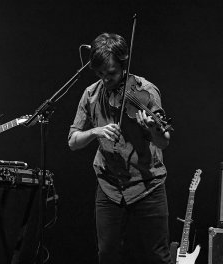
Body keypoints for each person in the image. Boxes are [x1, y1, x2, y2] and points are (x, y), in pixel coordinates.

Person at [68, 33, 173, 264]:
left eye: (112, 74)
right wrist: (96, 131)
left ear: (124, 65)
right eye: (100, 74)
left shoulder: (145, 91)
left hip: (147, 185)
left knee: (157, 256)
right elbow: (73, 141)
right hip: (109, 186)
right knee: (107, 255)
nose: (106, 80)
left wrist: (153, 129)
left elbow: (163, 141)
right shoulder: (91, 94)